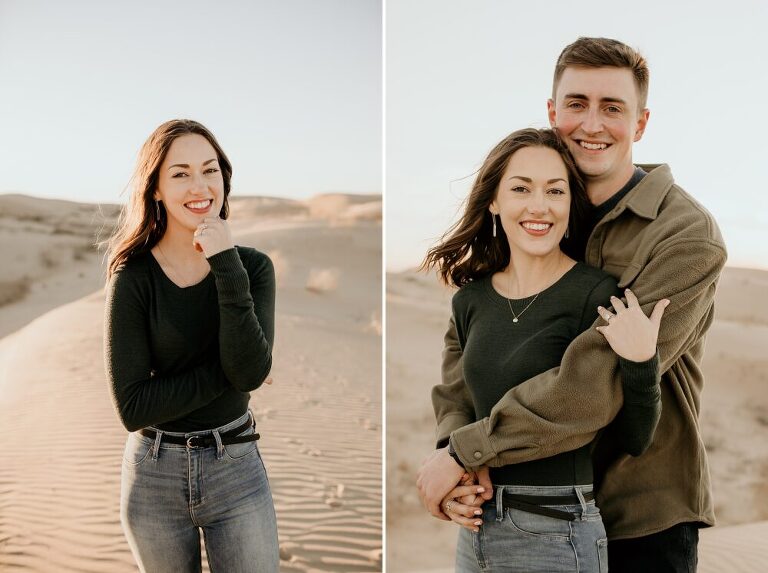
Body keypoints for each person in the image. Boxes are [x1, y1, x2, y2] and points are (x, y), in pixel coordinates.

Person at [417, 37, 727, 573]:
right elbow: (465, 360)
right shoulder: (544, 211)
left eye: (613, 108)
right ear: (551, 111)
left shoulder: (686, 236)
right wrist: (460, 459)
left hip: (641, 514)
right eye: (577, 103)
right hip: (513, 505)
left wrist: (466, 451)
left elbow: (598, 380)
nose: (592, 124)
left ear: (642, 123)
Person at [421, 127, 666, 572]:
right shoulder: (470, 300)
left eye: (555, 191)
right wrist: (452, 462)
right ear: (493, 200)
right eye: (521, 188)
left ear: (571, 205)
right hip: (475, 529)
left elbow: (631, 434)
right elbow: (455, 397)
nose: (539, 206)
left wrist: (641, 364)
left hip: (557, 531)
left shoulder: (596, 294)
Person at [104, 119, 279, 572]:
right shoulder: (134, 277)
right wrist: (234, 371)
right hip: (153, 474)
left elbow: (249, 374)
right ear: (156, 189)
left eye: (210, 170)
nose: (200, 185)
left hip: (236, 466)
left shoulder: (252, 269)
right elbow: (134, 406)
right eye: (180, 173)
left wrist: (224, 262)